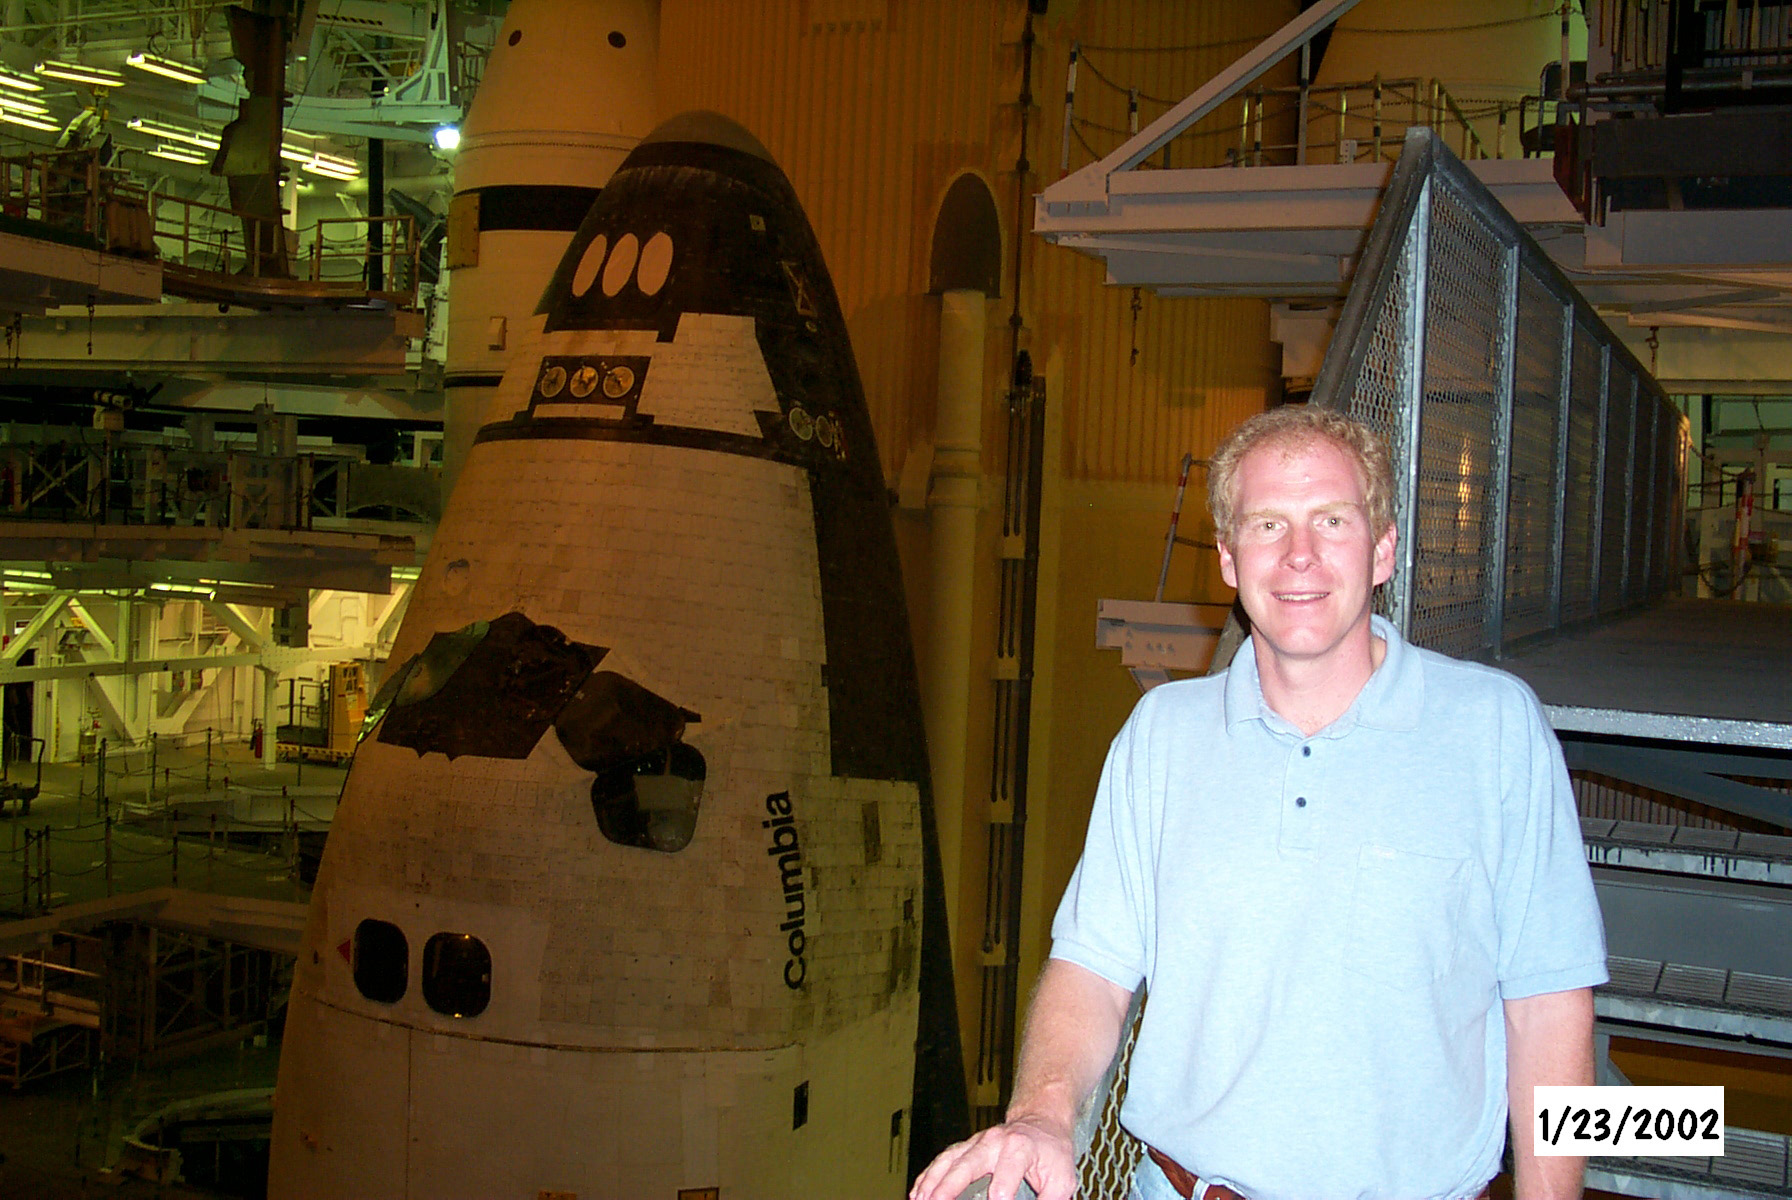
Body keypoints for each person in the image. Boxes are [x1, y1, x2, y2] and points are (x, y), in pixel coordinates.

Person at [911, 407, 1607, 1200]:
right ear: (1230, 561)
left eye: (1331, 520)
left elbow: (1546, 1004)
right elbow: (1093, 970)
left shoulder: (1494, 730)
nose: (1300, 555)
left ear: (1382, 549)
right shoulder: (1160, 737)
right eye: (1268, 524)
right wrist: (1040, 1117)